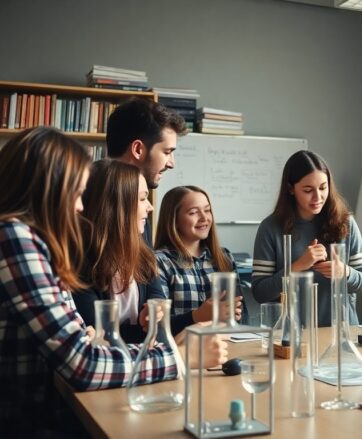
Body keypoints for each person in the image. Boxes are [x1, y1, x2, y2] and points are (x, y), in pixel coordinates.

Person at [0, 128, 223, 436]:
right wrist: (181, 357)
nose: (80, 207)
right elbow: (84, 363)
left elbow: (86, 340)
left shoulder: (36, 244)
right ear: (47, 189)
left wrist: (88, 342)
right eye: (76, 193)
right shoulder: (15, 238)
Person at [252, 150, 362, 326]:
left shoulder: (345, 222)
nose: (318, 197)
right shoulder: (270, 228)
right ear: (290, 189)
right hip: (292, 337)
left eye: (323, 188)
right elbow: (259, 292)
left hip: (342, 333)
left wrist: (345, 272)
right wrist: (298, 266)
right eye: (308, 190)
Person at [74, 160, 164, 343]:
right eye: (142, 198)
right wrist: (143, 328)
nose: (150, 207)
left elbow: (158, 300)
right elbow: (102, 335)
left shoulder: (142, 252)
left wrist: (155, 312)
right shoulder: (79, 262)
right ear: (116, 206)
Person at [155, 186, 245, 335]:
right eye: (193, 213)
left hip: (226, 345)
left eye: (207, 210)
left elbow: (242, 315)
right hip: (183, 351)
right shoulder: (160, 261)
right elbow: (158, 326)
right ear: (174, 220)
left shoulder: (224, 257)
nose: (204, 218)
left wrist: (234, 317)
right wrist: (196, 317)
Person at [106, 98, 187, 244]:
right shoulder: (87, 212)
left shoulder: (142, 217)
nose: (171, 164)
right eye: (167, 152)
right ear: (138, 149)